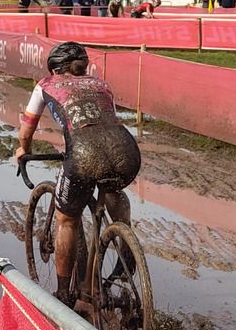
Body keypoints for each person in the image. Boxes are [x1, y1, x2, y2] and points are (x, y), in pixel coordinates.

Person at [15, 42, 141, 306]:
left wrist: (22, 150)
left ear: (54, 68)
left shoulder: (46, 84)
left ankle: (64, 294)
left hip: (83, 153)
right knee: (113, 191)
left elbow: (26, 130)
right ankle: (124, 245)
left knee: (67, 220)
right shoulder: (101, 85)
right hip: (126, 150)